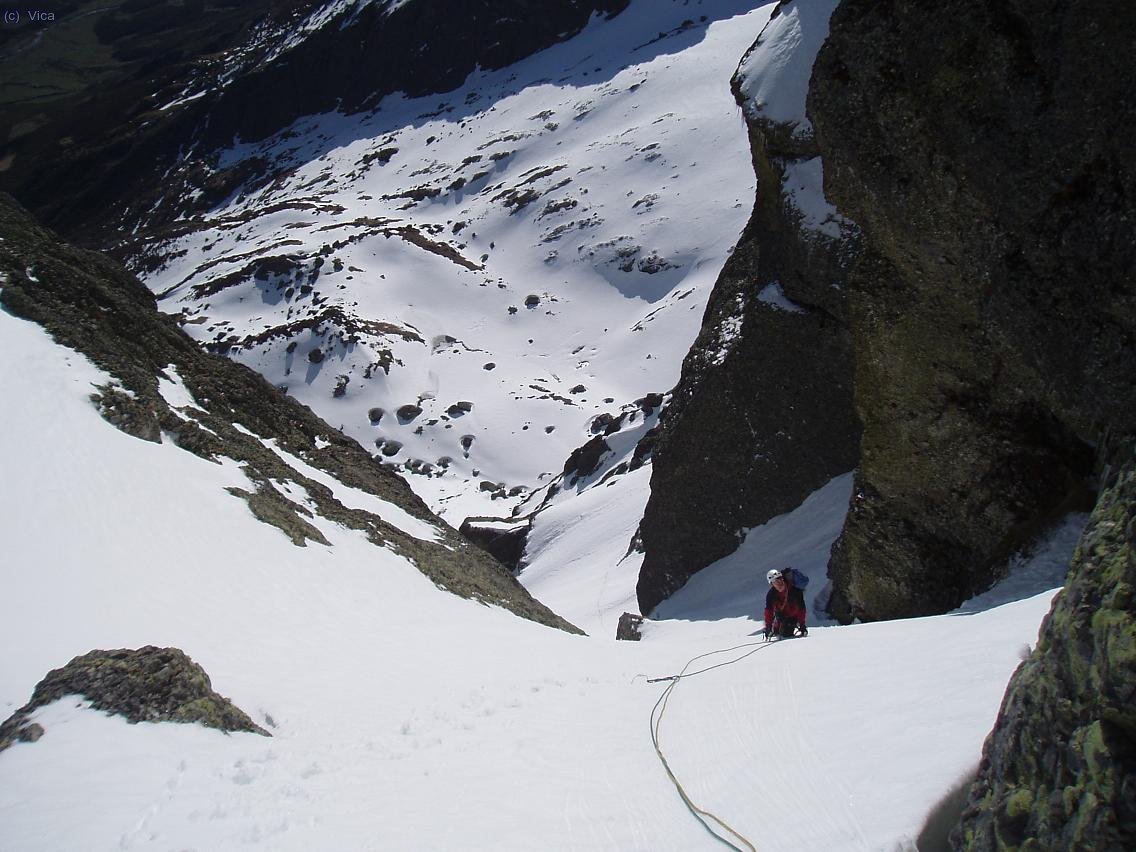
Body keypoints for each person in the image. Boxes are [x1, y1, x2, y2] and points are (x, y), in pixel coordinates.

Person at [763, 568, 808, 640]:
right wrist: (768, 626)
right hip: (780, 616)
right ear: (772, 584)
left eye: (779, 579)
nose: (779, 582)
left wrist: (802, 625)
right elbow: (769, 611)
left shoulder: (795, 590)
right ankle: (776, 630)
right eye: (775, 581)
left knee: (786, 634)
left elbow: (801, 608)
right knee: (779, 630)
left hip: (793, 616)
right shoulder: (771, 594)